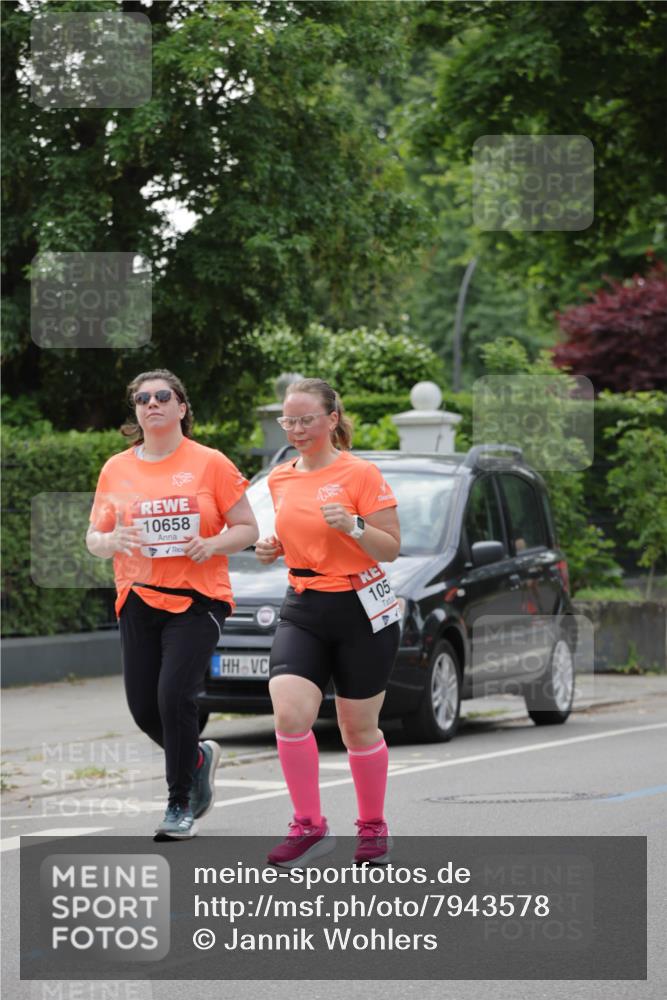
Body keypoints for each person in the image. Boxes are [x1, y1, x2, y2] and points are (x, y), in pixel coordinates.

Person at [87, 369, 258, 840]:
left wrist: (214, 543)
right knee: (144, 709)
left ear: (181, 407)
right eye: (142, 399)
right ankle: (198, 757)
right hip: (138, 596)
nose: (152, 404)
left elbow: (248, 528)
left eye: (163, 396)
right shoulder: (116, 468)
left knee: (174, 696)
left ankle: (179, 802)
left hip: (198, 599)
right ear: (136, 412)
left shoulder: (210, 463)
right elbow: (94, 537)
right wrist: (111, 538)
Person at [255, 378, 401, 867]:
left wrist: (355, 526)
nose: (295, 430)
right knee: (289, 714)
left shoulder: (361, 474)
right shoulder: (280, 477)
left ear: (332, 419)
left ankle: (373, 826)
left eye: (305, 420)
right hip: (303, 605)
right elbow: (286, 541)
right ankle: (309, 825)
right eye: (287, 421)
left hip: (360, 607)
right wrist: (269, 550)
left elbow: (391, 548)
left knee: (356, 728)